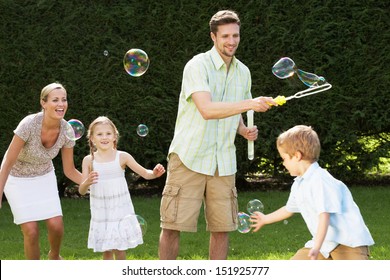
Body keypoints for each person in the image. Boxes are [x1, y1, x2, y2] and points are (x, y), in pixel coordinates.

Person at [158, 10, 277, 260]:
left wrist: (243, 129)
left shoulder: (243, 72)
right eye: (225, 36)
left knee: (222, 229)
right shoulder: (197, 66)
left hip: (223, 162)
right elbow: (208, 109)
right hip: (189, 156)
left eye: (235, 35)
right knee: (172, 227)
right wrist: (249, 104)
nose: (231, 41)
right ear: (213, 36)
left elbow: (234, 111)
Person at [251, 125, 375, 260]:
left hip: (349, 243)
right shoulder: (299, 184)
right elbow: (288, 209)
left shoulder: (320, 181)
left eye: (284, 158)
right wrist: (265, 219)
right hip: (324, 244)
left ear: (297, 156)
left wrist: (316, 247)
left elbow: (324, 216)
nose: (283, 164)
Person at [0, 82, 83, 260]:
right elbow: (7, 162)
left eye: (64, 100)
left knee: (56, 225)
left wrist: (91, 182)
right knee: (31, 230)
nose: (61, 104)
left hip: (43, 175)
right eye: (55, 100)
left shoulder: (67, 130)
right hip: (16, 177)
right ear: (43, 103)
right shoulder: (29, 124)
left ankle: (54, 256)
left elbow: (69, 170)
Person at [79, 116, 165, 260]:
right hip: (102, 211)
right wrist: (87, 182)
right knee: (106, 249)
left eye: (108, 133)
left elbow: (145, 173)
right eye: (99, 134)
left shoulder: (122, 157)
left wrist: (155, 173)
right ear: (92, 139)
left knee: (120, 249)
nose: (104, 137)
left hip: (120, 210)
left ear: (114, 136)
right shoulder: (89, 160)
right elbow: (81, 190)